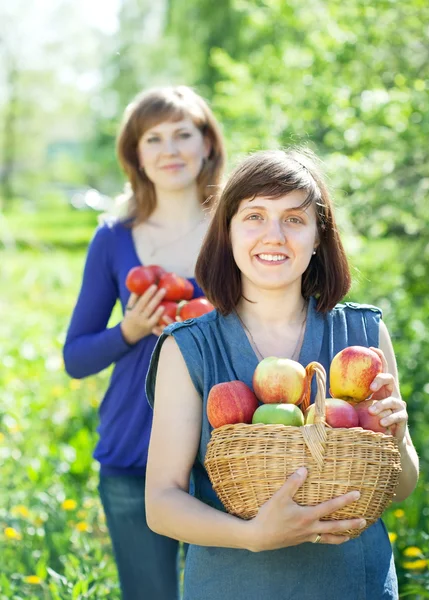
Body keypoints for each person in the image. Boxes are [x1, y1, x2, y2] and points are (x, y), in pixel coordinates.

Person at [144, 149, 419, 600]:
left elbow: (400, 486)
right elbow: (161, 503)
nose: (273, 236)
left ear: (317, 237)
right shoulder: (188, 348)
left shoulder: (364, 333)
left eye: (294, 219)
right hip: (234, 586)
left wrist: (397, 434)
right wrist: (253, 536)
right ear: (228, 232)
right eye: (254, 216)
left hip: (354, 585)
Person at [63, 85, 226, 600]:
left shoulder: (237, 227)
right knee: (149, 593)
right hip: (135, 443)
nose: (170, 149)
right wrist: (128, 331)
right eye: (153, 138)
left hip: (229, 447)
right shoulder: (113, 239)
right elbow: (75, 357)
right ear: (136, 154)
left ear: (207, 144)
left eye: (183, 134)